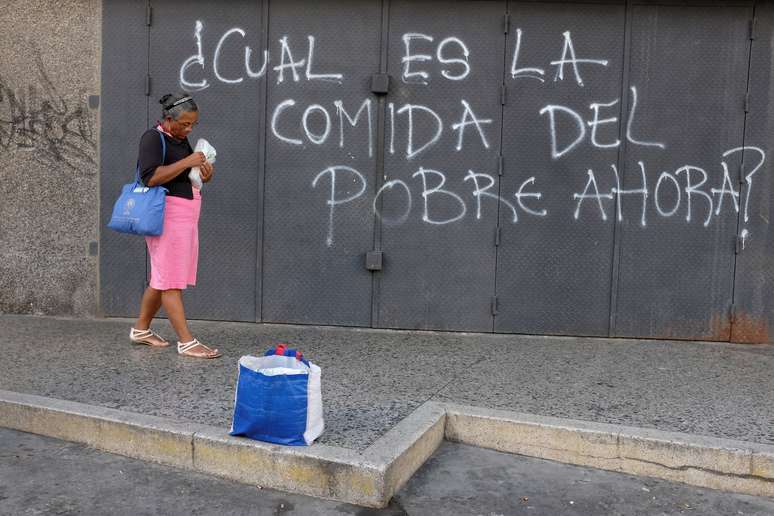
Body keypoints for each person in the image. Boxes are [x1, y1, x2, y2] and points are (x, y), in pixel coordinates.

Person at [128, 93, 221, 359]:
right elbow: (150, 177)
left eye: (193, 124)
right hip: (165, 215)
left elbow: (184, 174)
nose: (189, 129)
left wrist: (205, 172)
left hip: (184, 215)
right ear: (169, 120)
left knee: (162, 278)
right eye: (185, 124)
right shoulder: (152, 138)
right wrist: (187, 162)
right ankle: (187, 342)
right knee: (171, 281)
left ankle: (141, 330)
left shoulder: (179, 138)